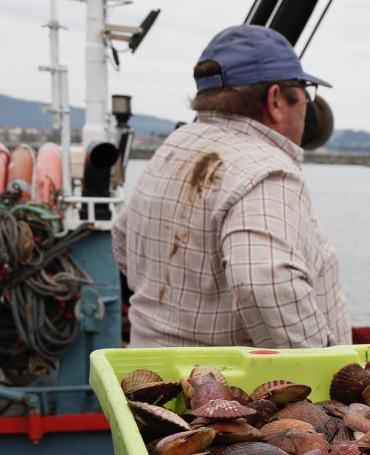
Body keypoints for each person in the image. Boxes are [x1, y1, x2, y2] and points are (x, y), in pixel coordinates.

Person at [112, 24, 351, 350]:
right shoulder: (267, 170)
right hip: (226, 393)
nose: (308, 106)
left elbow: (122, 238)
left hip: (150, 375)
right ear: (276, 100)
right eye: (305, 92)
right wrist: (319, 372)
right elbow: (264, 282)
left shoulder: (175, 146)